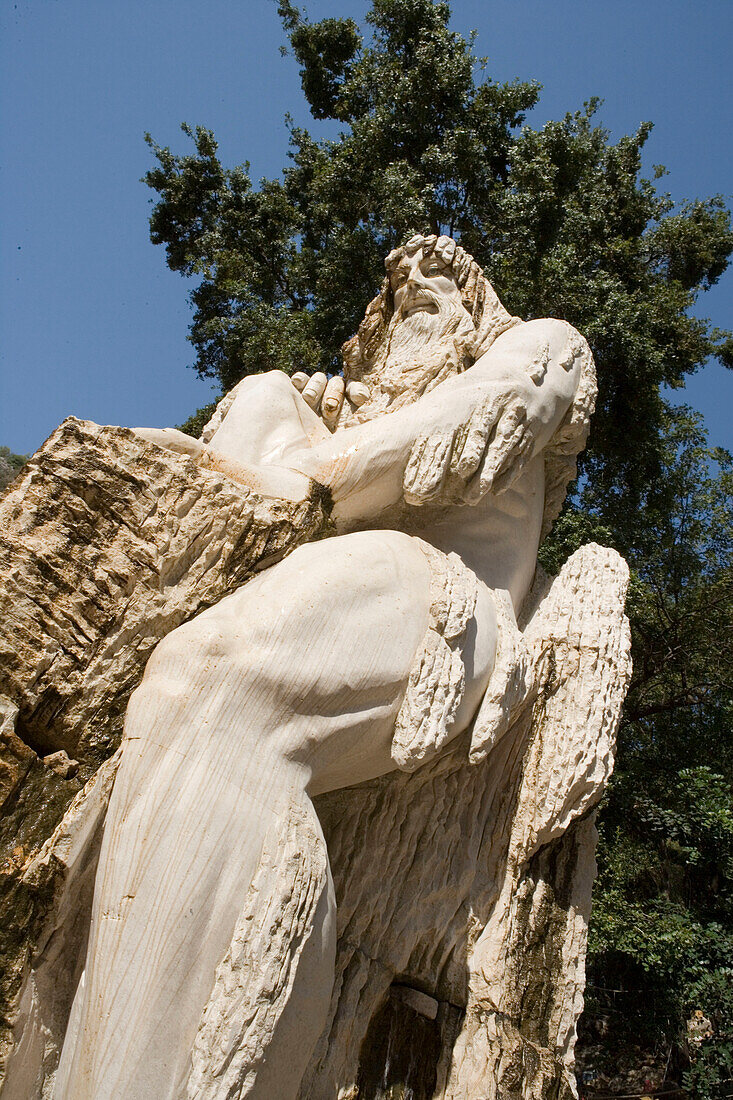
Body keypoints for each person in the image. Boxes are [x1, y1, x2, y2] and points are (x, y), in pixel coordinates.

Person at [54, 235, 595, 1099]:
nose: (418, 282)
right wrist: (286, 423)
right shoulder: (322, 403)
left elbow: (462, 430)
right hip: (341, 590)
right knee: (191, 688)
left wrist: (308, 459)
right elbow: (237, 498)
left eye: (444, 274)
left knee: (217, 677)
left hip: (444, 606)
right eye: (398, 280)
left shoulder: (537, 345)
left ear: (480, 301)